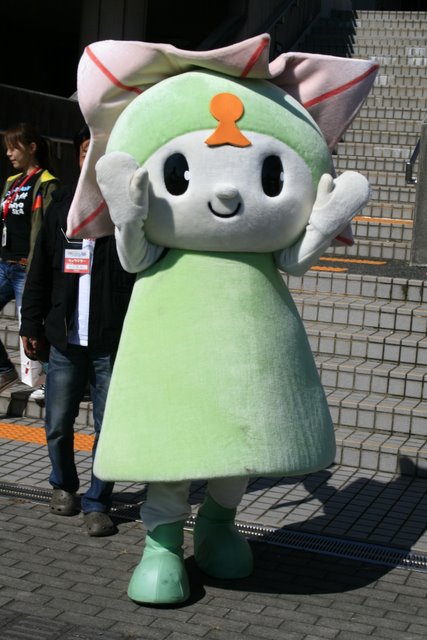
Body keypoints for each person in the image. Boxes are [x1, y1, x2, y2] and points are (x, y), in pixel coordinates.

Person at [19, 125, 136, 536]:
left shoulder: (126, 209)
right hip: (65, 338)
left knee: (108, 426)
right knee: (57, 421)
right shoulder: (62, 206)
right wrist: (31, 323)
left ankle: (98, 502)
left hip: (110, 339)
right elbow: (39, 271)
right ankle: (63, 486)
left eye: (101, 151)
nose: (93, 158)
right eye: (87, 151)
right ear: (78, 157)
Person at [0, 123, 59, 391]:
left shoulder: (47, 183)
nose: (8, 153)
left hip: (28, 266)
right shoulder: (11, 182)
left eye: (14, 147)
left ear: (32, 148)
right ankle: (5, 370)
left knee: (34, 327)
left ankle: (51, 381)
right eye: (7, 148)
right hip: (5, 263)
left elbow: (49, 230)